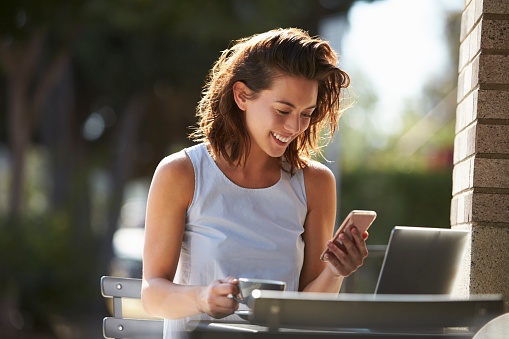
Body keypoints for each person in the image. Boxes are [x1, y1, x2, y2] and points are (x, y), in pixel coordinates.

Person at [141, 27, 369, 338]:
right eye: (282, 110)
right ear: (242, 96)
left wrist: (336, 271)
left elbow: (309, 310)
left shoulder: (315, 184)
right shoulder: (182, 173)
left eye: (306, 113)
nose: (294, 127)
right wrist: (202, 298)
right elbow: (153, 294)